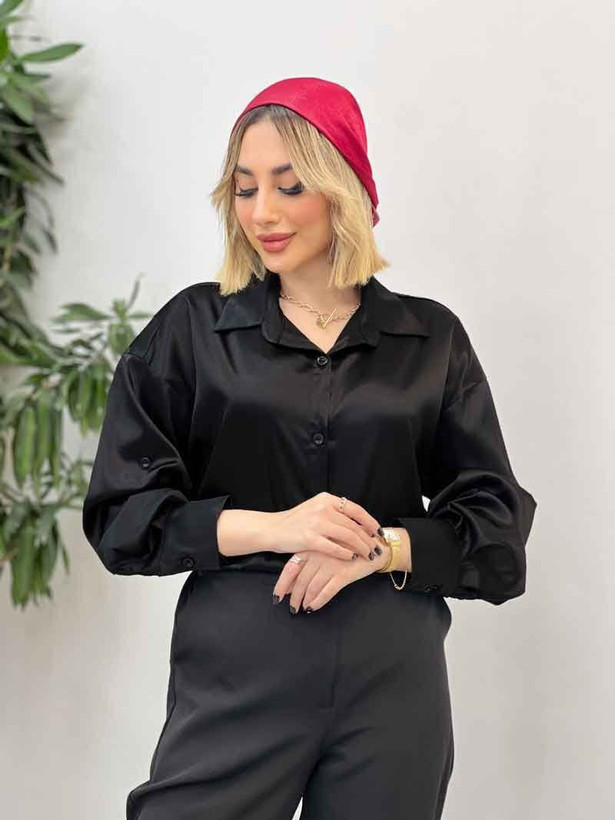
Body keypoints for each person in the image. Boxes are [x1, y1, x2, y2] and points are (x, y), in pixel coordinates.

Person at [82, 76, 538, 820]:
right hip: (238, 665)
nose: (262, 211)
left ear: (342, 189)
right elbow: (122, 516)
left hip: (393, 675)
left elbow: (495, 527)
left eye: (289, 186)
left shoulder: (429, 338)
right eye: (244, 188)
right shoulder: (194, 330)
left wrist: (377, 549)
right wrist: (279, 527)